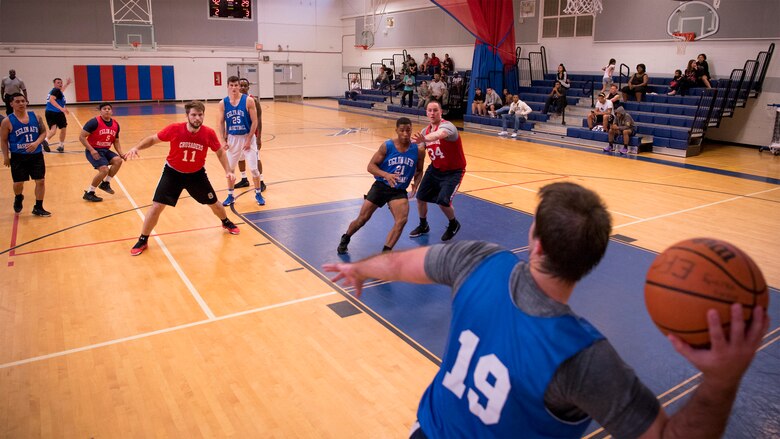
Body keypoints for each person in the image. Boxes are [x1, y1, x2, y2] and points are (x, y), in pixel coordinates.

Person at [323, 181, 769, 439]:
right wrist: (722, 380)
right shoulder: (585, 359)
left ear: (534, 241)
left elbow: (399, 263)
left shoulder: (478, 261)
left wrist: (360, 269)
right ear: (590, 261)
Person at [124, 100, 241, 256]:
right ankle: (143, 239)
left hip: (196, 175)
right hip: (173, 173)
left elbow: (219, 151)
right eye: (193, 115)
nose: (197, 118)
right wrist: (136, 147)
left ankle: (226, 222)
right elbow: (153, 139)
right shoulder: (175, 129)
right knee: (157, 206)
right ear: (187, 116)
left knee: (214, 204)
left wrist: (228, 170)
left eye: (200, 115)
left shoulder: (208, 133)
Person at [337, 117, 424, 255]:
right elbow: (370, 166)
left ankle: (385, 253)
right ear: (396, 130)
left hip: (398, 190)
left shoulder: (418, 150)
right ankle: (346, 237)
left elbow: (419, 170)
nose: (406, 134)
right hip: (381, 186)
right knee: (362, 219)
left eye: (408, 130)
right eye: (402, 130)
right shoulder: (387, 146)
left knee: (401, 221)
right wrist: (386, 175)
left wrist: (416, 184)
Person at [408, 100, 466, 242]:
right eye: (430, 110)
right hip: (435, 169)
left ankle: (453, 224)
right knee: (421, 198)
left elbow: (439, 135)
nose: (432, 113)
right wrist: (415, 182)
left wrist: (425, 139)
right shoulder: (424, 131)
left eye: (435, 110)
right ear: (426, 112)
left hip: (453, 171)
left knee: (443, 201)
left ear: (441, 112)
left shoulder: (448, 126)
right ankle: (423, 225)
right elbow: (420, 156)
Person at [0, 93, 51, 216]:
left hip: (36, 155)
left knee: (40, 181)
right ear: (11, 104)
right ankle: (18, 197)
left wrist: (36, 143)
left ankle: (38, 207)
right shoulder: (7, 121)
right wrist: (6, 157)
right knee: (18, 183)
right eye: (17, 101)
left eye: (23, 101)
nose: (21, 103)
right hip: (18, 156)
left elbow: (43, 132)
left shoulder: (36, 117)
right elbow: (3, 140)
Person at [218, 76, 263, 207]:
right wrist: (223, 140)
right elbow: (221, 122)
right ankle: (230, 195)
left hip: (247, 137)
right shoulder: (223, 103)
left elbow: (255, 121)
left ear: (239, 86)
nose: (234, 88)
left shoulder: (249, 101)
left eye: (236, 85)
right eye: (231, 85)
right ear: (228, 86)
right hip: (232, 139)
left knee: (254, 169)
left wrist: (249, 139)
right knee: (230, 170)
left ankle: (258, 193)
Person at [78, 102, 125, 202]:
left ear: (112, 111)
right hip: (93, 150)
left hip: (105, 150)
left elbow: (116, 141)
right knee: (104, 170)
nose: (107, 110)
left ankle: (105, 183)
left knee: (118, 160)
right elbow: (81, 137)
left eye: (109, 108)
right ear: (101, 111)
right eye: (104, 109)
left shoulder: (116, 124)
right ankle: (90, 192)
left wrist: (121, 153)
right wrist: (91, 150)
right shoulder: (94, 122)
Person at [235, 77, 266, 192]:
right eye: (240, 85)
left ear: (248, 87)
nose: (242, 87)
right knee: (240, 157)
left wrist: (259, 137)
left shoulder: (254, 100)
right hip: (239, 135)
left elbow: (259, 119)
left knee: (256, 159)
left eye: (244, 85)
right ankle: (244, 179)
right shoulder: (235, 100)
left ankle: (261, 181)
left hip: (252, 135)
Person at [45, 77, 72, 153]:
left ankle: (45, 140)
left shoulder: (56, 91)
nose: (60, 84)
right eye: (58, 83)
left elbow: (61, 91)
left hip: (49, 112)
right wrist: (61, 108)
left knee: (53, 130)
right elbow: (51, 99)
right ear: (54, 84)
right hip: (56, 112)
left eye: (61, 83)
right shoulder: (55, 90)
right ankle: (61, 145)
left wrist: (67, 84)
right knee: (63, 128)